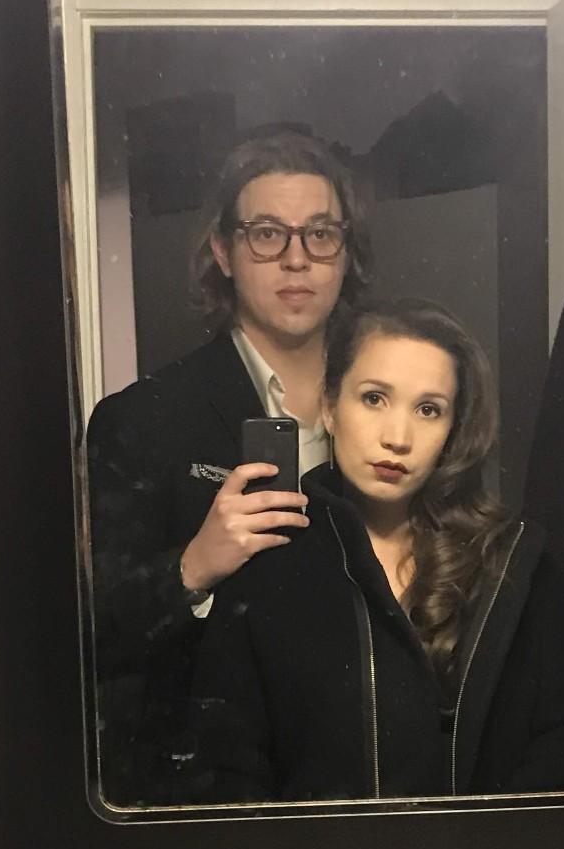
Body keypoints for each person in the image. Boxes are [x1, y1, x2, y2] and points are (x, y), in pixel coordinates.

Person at [187, 299, 564, 803]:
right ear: (329, 407)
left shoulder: (512, 564)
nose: (397, 438)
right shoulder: (272, 563)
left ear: (453, 430)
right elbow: (227, 768)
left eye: (428, 409)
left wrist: (484, 842)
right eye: (374, 398)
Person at [86, 127, 371, 806]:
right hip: (211, 794)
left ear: (344, 251)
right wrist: (194, 566)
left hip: (364, 774)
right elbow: (91, 638)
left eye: (320, 233)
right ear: (223, 250)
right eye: (266, 234)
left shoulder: (384, 403)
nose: (296, 259)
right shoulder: (145, 419)